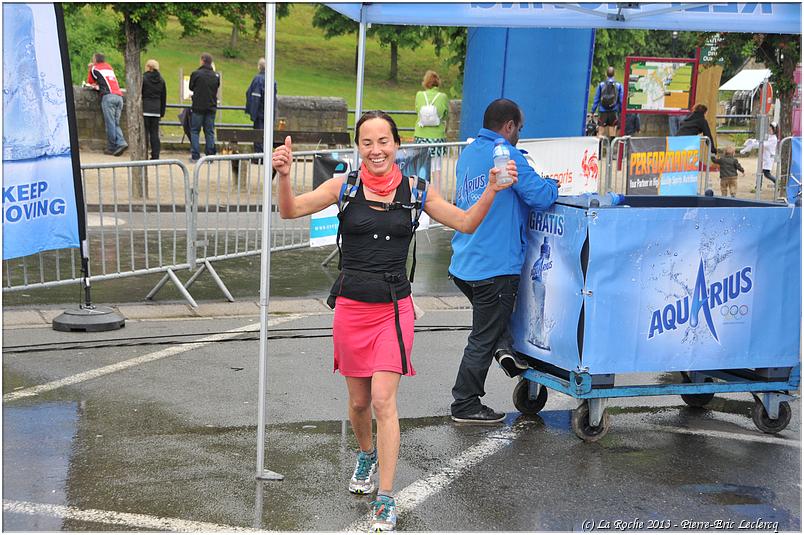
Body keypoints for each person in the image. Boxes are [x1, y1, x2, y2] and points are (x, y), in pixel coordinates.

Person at [272, 110, 516, 532]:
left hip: (394, 309)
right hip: (351, 307)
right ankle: (365, 454)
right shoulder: (343, 186)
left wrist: (492, 189)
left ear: (397, 145)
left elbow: (466, 222)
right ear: (358, 148)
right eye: (367, 142)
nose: (376, 149)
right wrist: (284, 175)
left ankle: (385, 495)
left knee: (384, 401)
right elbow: (289, 210)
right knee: (359, 403)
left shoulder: (417, 191)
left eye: (383, 140)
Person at [449, 98, 559, 424]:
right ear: (509, 126)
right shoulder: (506, 154)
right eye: (519, 129)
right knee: (482, 337)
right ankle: (465, 403)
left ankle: (507, 349)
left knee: (491, 326)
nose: (519, 135)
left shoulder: (468, 153)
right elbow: (540, 195)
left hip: (465, 261)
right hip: (495, 266)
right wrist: (553, 183)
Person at [86, 53, 127, 156]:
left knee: (110, 124)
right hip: (119, 96)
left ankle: (111, 148)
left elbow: (90, 82)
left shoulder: (94, 68)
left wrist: (90, 68)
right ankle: (121, 143)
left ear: (95, 59)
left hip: (108, 97)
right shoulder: (109, 67)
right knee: (115, 123)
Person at [413, 70, 449, 182]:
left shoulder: (419, 95)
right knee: (436, 167)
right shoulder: (442, 97)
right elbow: (445, 113)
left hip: (421, 135)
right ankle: (437, 193)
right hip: (437, 137)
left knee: (421, 164)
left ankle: (421, 191)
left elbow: (417, 110)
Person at [189, 53, 220, 162]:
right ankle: (210, 156)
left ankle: (195, 155)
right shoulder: (216, 76)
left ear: (202, 60)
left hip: (198, 107)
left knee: (195, 131)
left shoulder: (196, 74)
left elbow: (191, 87)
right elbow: (216, 88)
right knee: (209, 131)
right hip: (211, 107)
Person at [141, 59, 166, 160]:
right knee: (154, 134)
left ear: (148, 67)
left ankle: (144, 153)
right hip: (156, 109)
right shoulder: (161, 80)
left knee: (145, 133)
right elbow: (163, 97)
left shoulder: (144, 78)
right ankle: (155, 155)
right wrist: (161, 112)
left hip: (145, 108)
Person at [591, 66, 623, 139]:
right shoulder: (618, 85)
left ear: (606, 74)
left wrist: (592, 111)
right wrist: (621, 111)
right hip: (613, 111)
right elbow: (621, 100)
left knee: (601, 130)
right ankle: (611, 148)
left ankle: (599, 148)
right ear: (614, 74)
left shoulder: (601, 85)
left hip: (603, 111)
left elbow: (596, 99)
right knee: (612, 130)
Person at [760, 122, 779, 187]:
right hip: (765, 157)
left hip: (768, 157)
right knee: (760, 171)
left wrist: (759, 143)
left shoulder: (774, 138)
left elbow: (766, 144)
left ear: (774, 130)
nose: (769, 130)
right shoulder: (769, 136)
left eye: (771, 130)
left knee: (766, 173)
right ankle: (758, 185)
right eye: (769, 129)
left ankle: (777, 182)